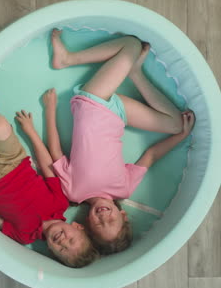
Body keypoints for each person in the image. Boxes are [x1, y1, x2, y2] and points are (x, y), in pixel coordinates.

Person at [34, 29, 195, 255]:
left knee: (131, 45)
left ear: (88, 223)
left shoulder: (74, 193)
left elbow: (55, 151)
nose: (103, 216)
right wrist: (181, 137)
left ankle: (67, 59)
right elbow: (150, 156)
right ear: (123, 215)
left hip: (92, 103)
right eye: (112, 221)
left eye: (99, 224)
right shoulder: (124, 188)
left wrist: (49, 110)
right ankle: (136, 73)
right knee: (178, 124)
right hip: (118, 114)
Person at [0, 87, 99, 268]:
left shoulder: (24, 236)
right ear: (78, 227)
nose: (63, 242)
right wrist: (30, 130)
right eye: (71, 240)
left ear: (51, 251)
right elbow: (47, 166)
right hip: (13, 161)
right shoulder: (60, 203)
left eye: (62, 250)